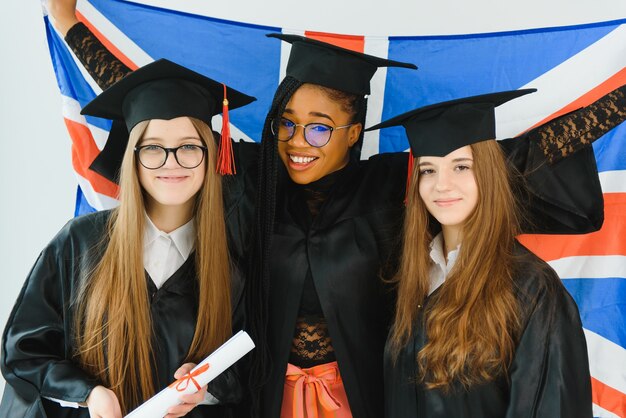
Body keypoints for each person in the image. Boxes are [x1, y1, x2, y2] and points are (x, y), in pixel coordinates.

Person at [45, 4, 626, 416]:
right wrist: (68, 21)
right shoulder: (245, 180)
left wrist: (618, 96)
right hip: (260, 398)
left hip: (369, 398)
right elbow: (164, 115)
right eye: (289, 124)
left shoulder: (394, 186)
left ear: (353, 134)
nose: (299, 141)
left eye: (320, 128)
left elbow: (512, 160)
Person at [0, 59, 255, 418]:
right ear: (132, 158)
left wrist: (207, 389)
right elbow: (24, 353)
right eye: (152, 148)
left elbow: (246, 376)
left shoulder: (229, 266)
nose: (171, 162)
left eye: (188, 146)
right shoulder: (80, 244)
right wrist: (88, 394)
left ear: (210, 154)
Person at [369, 90, 592, 417]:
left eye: (460, 166)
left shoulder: (531, 288)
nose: (442, 185)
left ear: (487, 174)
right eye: (429, 170)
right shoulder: (416, 276)